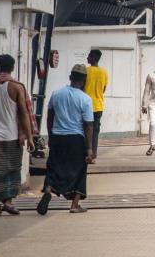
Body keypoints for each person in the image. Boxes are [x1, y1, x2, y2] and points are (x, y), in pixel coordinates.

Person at [0, 54, 33, 216]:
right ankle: (8, 202)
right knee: (12, 170)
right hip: (13, 136)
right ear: (13, 67)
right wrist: (30, 137)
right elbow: (24, 114)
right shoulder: (17, 87)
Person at [37, 65, 94, 215]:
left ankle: (48, 190)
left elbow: (50, 117)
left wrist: (50, 135)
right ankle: (75, 204)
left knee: (53, 166)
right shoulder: (85, 99)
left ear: (70, 77)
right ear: (84, 80)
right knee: (79, 169)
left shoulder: (56, 94)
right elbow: (88, 125)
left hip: (57, 137)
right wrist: (89, 149)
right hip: (76, 139)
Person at [83, 49, 109, 162]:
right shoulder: (104, 72)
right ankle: (93, 154)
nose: (87, 58)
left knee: (84, 130)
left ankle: (85, 153)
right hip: (98, 106)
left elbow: (80, 86)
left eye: (89, 56)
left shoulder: (85, 71)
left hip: (86, 106)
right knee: (95, 132)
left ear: (93, 58)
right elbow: (103, 89)